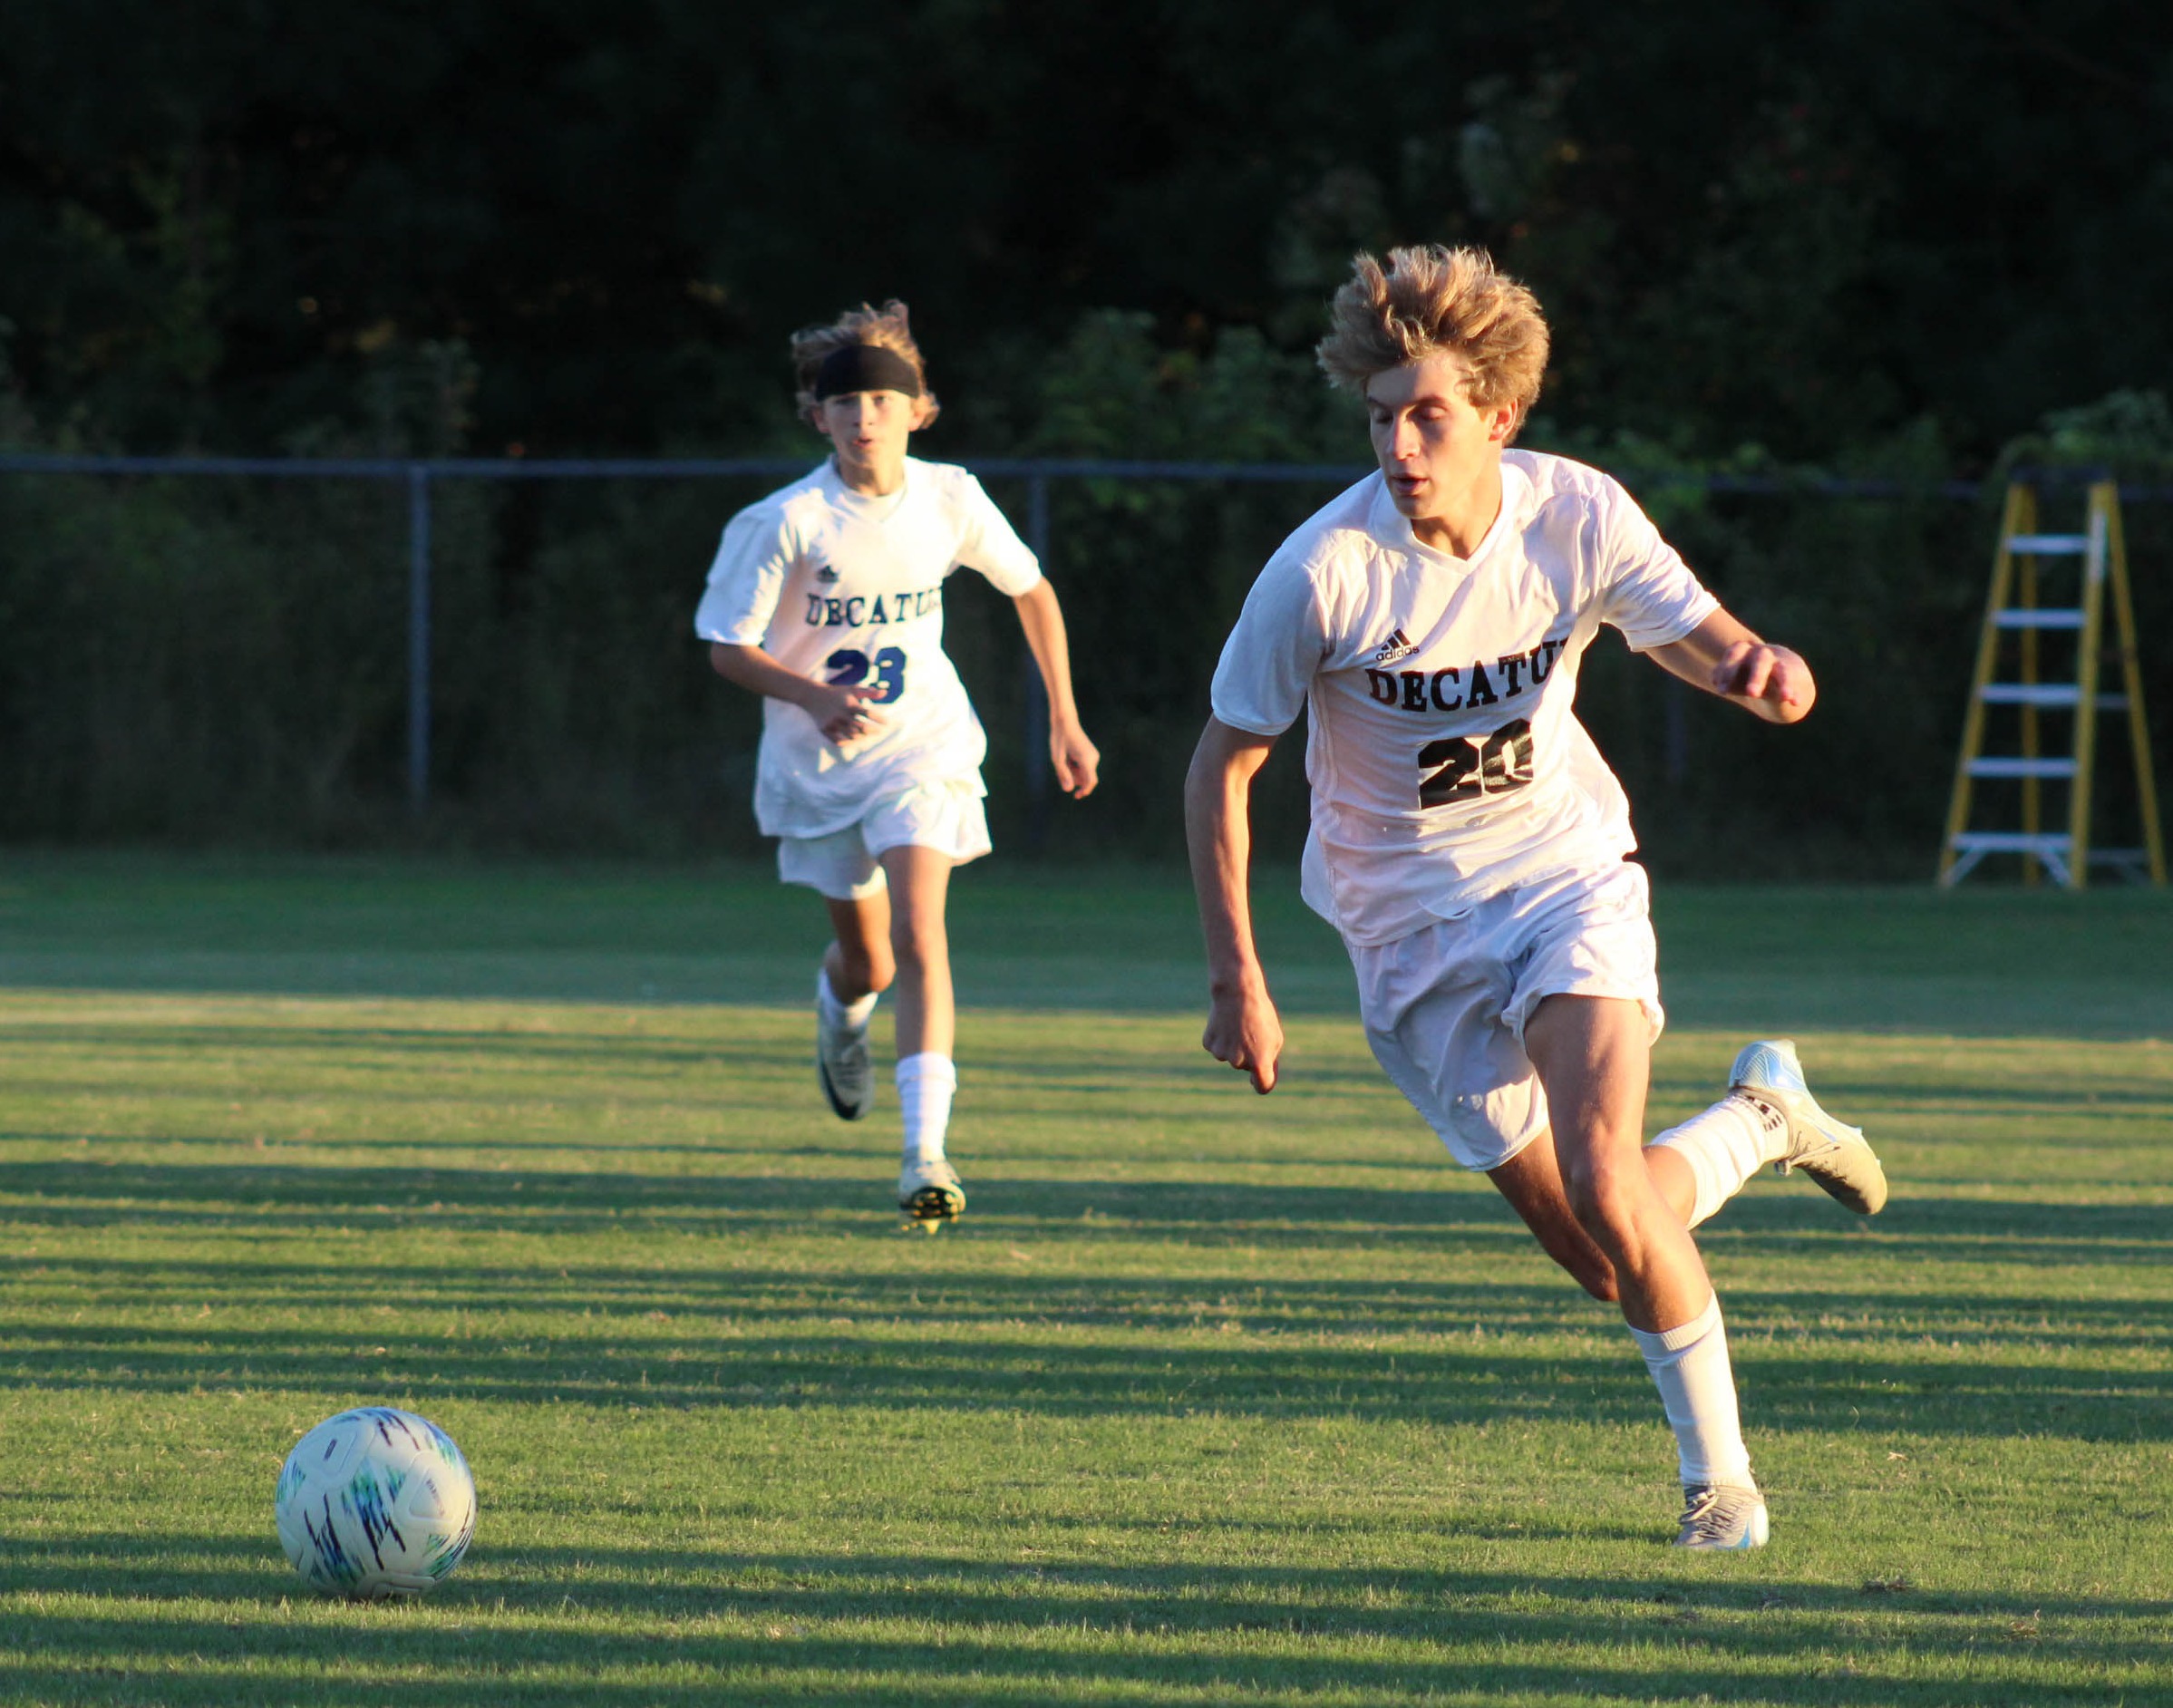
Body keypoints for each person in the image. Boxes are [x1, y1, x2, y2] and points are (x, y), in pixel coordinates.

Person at [1184, 246, 1887, 1548]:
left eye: (1428, 413)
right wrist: (1239, 977)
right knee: (1599, 1247)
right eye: (1382, 414)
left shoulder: (1576, 514)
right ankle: (1757, 1119)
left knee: (1609, 1176)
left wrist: (1751, 666)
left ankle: (1720, 1487)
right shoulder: (1322, 571)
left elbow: (1684, 625)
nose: (1400, 442)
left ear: (1499, 415)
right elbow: (1220, 769)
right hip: (1402, 935)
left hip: (1563, 876)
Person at [695, 301, 1099, 1224]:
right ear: (818, 417)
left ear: (917, 410)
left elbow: (1031, 591)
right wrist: (813, 697)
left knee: (922, 934)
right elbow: (724, 645)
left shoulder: (950, 496)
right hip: (819, 767)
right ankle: (840, 1013)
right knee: (871, 961)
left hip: (925, 747)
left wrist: (1065, 721)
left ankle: (925, 1154)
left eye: (884, 398)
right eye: (846, 401)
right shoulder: (784, 521)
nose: (866, 415)